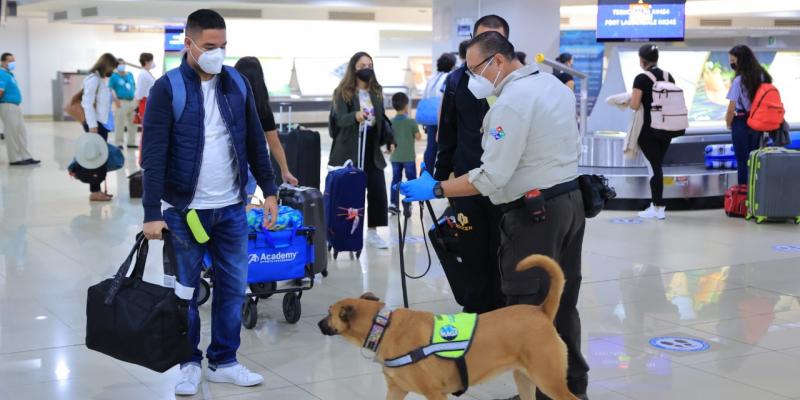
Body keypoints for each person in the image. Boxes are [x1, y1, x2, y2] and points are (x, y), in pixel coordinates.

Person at [401, 31, 589, 400]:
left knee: (525, 313)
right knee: (560, 302)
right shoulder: (553, 85)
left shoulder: (511, 103)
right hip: (570, 204)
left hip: (534, 214)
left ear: (497, 61)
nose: (471, 78)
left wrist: (437, 188)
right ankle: (571, 388)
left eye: (475, 69)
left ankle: (541, 393)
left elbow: (491, 176)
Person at [141, 9, 278, 396]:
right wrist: (152, 213)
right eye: (209, 46)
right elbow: (153, 154)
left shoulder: (236, 81)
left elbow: (255, 139)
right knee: (185, 290)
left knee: (233, 288)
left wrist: (269, 190)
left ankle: (224, 361)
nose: (218, 54)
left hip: (232, 208)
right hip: (185, 210)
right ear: (189, 44)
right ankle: (188, 363)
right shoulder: (167, 88)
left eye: (223, 46)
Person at [433, 15, 510, 315]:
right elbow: (447, 131)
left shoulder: (520, 83)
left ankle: (503, 314)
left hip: (505, 184)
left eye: (494, 39)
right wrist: (438, 180)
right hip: (466, 182)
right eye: (482, 39)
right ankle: (476, 314)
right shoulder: (457, 81)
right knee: (473, 251)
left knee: (503, 253)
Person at [328, 51, 391, 249]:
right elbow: (339, 120)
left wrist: (390, 138)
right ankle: (342, 231)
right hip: (349, 147)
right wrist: (356, 115)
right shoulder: (342, 92)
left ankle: (372, 231)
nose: (367, 69)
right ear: (354, 68)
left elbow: (382, 118)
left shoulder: (377, 92)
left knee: (377, 190)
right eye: (362, 65)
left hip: (371, 147)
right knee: (349, 192)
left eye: (370, 65)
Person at [629, 44, 677, 220]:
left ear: (642, 60)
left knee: (653, 167)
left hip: (648, 130)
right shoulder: (668, 76)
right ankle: (656, 205)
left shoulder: (641, 78)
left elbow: (634, 105)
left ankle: (657, 207)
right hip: (666, 128)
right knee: (657, 165)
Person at [234, 56, 298, 186]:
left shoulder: (226, 100)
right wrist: (285, 170)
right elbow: (274, 142)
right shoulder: (262, 107)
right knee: (245, 203)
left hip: (226, 163)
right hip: (251, 165)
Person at [725, 44, 772, 186]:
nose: (732, 63)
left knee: (742, 161)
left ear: (741, 60)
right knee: (754, 160)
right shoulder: (763, 76)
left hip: (741, 122)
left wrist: (728, 123)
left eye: (733, 60)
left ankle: (743, 197)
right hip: (758, 122)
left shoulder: (738, 80)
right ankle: (754, 197)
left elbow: (731, 108)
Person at [81, 53, 118, 202]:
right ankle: (95, 191)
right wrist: (92, 126)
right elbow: (87, 103)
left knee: (101, 158)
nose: (112, 71)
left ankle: (98, 190)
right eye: (112, 67)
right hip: (95, 125)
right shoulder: (93, 80)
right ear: (106, 65)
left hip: (101, 124)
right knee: (96, 159)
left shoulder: (100, 80)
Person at [0, 52, 39, 166]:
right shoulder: (1, 74)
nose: (12, 63)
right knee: (11, 132)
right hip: (7, 105)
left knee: (21, 132)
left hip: (15, 106)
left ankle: (25, 156)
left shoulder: (9, 75)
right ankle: (14, 159)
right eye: (10, 61)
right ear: (2, 62)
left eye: (14, 61)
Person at [421, 52, 456, 175]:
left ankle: (425, 174)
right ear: (452, 65)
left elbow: (424, 97)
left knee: (430, 147)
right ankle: (440, 175)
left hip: (430, 118)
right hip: (443, 118)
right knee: (443, 147)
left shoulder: (432, 78)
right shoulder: (451, 77)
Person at [388, 92, 421, 214]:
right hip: (409, 157)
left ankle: (393, 204)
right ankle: (408, 202)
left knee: (395, 180)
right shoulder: (411, 122)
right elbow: (418, 137)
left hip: (395, 157)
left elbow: (389, 140)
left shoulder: (390, 122)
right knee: (411, 180)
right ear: (406, 106)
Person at [109, 58, 137, 148]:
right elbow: (111, 89)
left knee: (133, 124)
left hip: (132, 101)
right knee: (119, 123)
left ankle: (131, 143)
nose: (122, 66)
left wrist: (136, 100)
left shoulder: (130, 74)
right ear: (116, 66)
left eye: (124, 64)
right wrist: (115, 100)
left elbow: (134, 87)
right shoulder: (114, 76)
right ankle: (119, 142)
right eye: (120, 64)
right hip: (121, 102)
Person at [134, 52, 156, 127]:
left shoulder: (147, 73)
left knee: (149, 126)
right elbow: (139, 92)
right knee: (147, 126)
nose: (153, 63)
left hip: (150, 101)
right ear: (147, 62)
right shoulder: (143, 74)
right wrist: (137, 107)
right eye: (152, 60)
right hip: (145, 102)